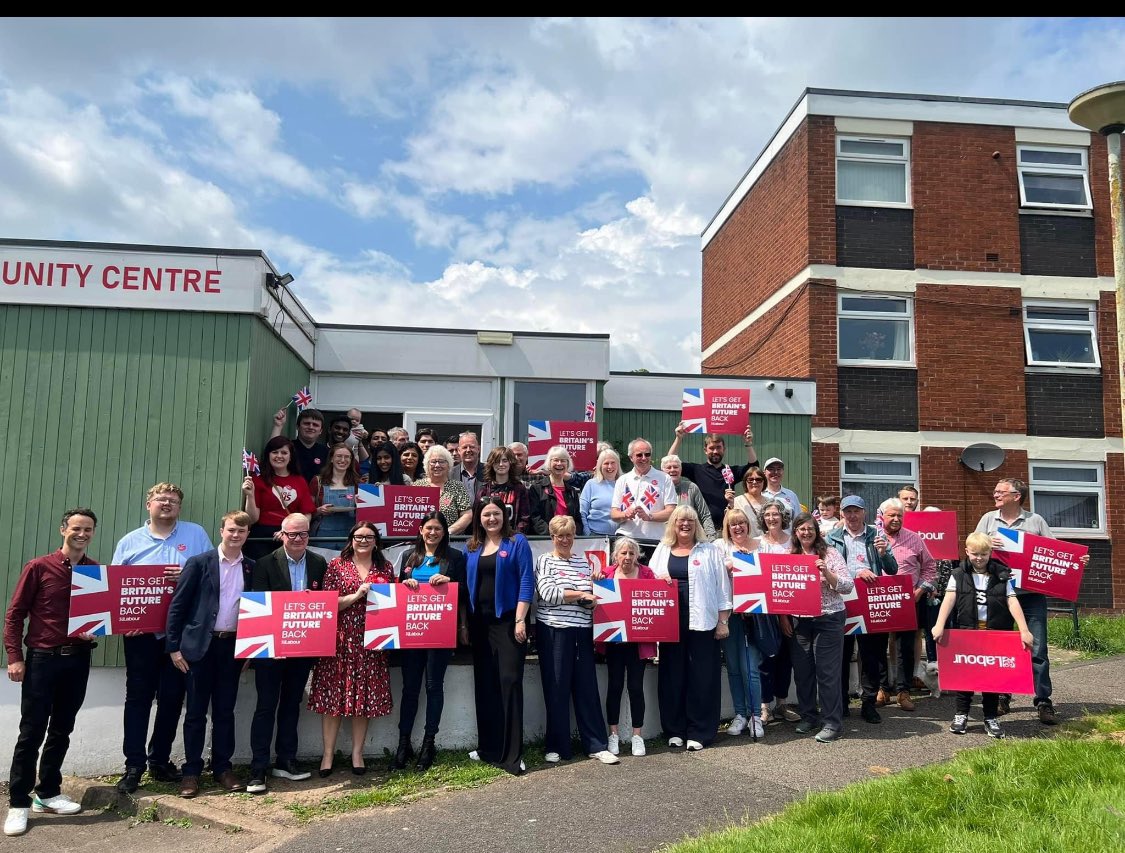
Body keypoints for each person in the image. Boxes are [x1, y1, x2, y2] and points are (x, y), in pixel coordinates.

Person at [111, 483, 213, 795]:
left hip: (179, 635)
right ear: (148, 505)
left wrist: (186, 576)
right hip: (141, 636)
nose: (166, 504)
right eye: (160, 499)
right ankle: (133, 765)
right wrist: (122, 620)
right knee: (138, 699)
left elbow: (211, 577)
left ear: (180, 507)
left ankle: (159, 760)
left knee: (171, 699)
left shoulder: (196, 535)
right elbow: (116, 588)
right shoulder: (130, 542)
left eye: (172, 501)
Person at [4, 508, 99, 837]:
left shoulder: (94, 570)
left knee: (62, 728)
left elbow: (97, 616)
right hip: (43, 659)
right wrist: (15, 657)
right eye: (76, 528)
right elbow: (15, 615)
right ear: (63, 530)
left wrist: (95, 631)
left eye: (88, 529)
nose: (82, 534)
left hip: (78, 660)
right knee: (31, 731)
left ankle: (48, 792)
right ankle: (19, 802)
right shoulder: (38, 567)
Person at [975, 477, 1087, 725]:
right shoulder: (987, 519)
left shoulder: (1035, 521)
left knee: (1038, 650)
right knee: (1001, 649)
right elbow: (972, 550)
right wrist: (987, 545)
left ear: (1017, 496)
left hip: (1031, 597)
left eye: (1000, 492)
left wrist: (1076, 562)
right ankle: (1002, 697)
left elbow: (1055, 554)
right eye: (994, 491)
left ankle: (1044, 701)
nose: (995, 494)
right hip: (998, 594)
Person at [165, 510, 255, 798]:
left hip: (232, 648)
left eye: (241, 531)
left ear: (247, 535)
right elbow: (177, 607)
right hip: (198, 649)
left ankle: (222, 768)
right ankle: (191, 772)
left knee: (225, 711)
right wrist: (173, 647)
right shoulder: (199, 563)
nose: (235, 535)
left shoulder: (251, 567)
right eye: (231, 530)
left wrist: (250, 651)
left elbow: (256, 612)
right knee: (194, 713)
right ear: (221, 531)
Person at [244, 513, 327, 794]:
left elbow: (322, 606)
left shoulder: (318, 563)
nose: (298, 539)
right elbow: (259, 605)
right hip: (271, 649)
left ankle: (286, 760)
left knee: (292, 704)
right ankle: (258, 768)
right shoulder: (265, 563)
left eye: (303, 534)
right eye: (292, 534)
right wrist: (271, 644)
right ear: (282, 535)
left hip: (302, 647)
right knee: (266, 705)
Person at [307, 521, 395, 776]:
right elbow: (330, 604)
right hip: (340, 641)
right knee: (333, 700)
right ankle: (327, 755)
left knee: (363, 701)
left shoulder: (385, 567)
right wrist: (357, 595)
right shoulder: (337, 565)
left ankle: (357, 753)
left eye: (369, 537)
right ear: (351, 539)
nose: (363, 541)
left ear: (376, 541)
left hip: (372, 643)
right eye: (359, 536)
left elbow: (392, 603)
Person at [932, 532, 1034, 739]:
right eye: (975, 554)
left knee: (992, 678)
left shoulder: (1002, 574)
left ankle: (990, 717)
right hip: (967, 631)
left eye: (984, 554)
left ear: (990, 553)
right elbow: (949, 600)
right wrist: (939, 624)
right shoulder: (958, 574)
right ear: (967, 552)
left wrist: (1024, 629)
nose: (979, 558)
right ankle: (961, 714)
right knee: (966, 676)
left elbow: (1012, 601)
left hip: (995, 632)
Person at [535, 516, 619, 765]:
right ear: (552, 537)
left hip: (582, 630)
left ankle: (596, 745)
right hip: (554, 630)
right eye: (559, 535)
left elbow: (592, 595)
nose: (564, 539)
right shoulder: (544, 561)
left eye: (569, 535)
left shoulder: (584, 563)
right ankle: (556, 746)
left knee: (586, 688)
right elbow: (548, 593)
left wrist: (592, 595)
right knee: (557, 687)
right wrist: (581, 594)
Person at [648, 506, 732, 751]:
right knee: (672, 677)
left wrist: (723, 621)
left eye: (690, 520)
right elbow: (648, 580)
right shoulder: (662, 550)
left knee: (702, 678)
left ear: (696, 524)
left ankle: (700, 731)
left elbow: (722, 588)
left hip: (703, 622)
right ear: (673, 524)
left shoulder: (710, 551)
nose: (685, 524)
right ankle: (674, 730)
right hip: (670, 624)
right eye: (680, 520)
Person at [465, 497, 535, 775]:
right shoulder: (472, 547)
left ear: (504, 515)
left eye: (495, 514)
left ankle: (512, 753)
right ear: (478, 519)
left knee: (510, 682)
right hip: (479, 625)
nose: (491, 519)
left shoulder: (517, 541)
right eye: (485, 515)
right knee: (486, 685)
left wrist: (520, 619)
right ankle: (488, 748)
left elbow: (526, 581)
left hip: (508, 623)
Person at [394, 511, 467, 772]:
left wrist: (451, 581)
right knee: (410, 688)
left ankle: (429, 742)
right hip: (412, 632)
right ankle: (403, 743)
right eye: (428, 528)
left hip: (440, 633)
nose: (433, 533)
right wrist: (406, 584)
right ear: (421, 530)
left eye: (438, 528)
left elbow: (465, 591)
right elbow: (397, 593)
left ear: (444, 532)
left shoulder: (455, 557)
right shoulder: (407, 556)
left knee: (434, 686)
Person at [783, 512, 854, 743]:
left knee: (827, 673)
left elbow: (846, 586)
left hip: (829, 618)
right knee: (803, 673)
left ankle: (832, 722)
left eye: (810, 529)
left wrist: (826, 571)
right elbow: (779, 590)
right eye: (801, 529)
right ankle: (808, 716)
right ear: (795, 532)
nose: (806, 533)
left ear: (817, 531)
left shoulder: (830, 554)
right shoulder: (789, 556)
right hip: (800, 621)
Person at [827, 496, 898, 725]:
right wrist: (856, 573)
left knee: (872, 655)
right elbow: (829, 569)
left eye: (856, 511)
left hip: (870, 602)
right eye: (848, 511)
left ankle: (868, 702)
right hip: (842, 601)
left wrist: (884, 553)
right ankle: (842, 703)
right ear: (842, 514)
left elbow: (893, 569)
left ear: (864, 512)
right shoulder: (832, 538)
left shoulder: (876, 536)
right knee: (841, 654)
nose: (852, 516)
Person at [594, 536, 655, 757]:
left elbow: (657, 598)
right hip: (614, 642)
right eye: (623, 553)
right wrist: (596, 581)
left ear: (637, 555)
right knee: (615, 686)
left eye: (631, 553)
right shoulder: (607, 574)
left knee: (636, 688)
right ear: (615, 555)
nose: (627, 557)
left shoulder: (647, 574)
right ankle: (613, 735)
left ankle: (637, 736)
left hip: (638, 643)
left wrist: (665, 582)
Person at [715, 508, 772, 740]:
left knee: (750, 668)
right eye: (732, 524)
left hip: (754, 615)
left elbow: (768, 575)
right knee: (734, 668)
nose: (737, 528)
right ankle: (740, 714)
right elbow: (715, 574)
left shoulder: (761, 545)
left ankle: (756, 715)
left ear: (748, 525)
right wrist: (732, 561)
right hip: (729, 614)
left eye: (741, 523)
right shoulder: (720, 547)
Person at [878, 497, 936, 713]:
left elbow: (930, 567)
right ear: (882, 516)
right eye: (891, 515)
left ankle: (904, 691)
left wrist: (921, 589)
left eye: (899, 515)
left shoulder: (915, 539)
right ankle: (883, 689)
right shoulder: (873, 538)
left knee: (905, 648)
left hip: (909, 599)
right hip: (879, 600)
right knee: (878, 645)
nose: (895, 519)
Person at [754, 499, 800, 724]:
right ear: (762, 518)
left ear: (783, 517)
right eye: (767, 515)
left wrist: (784, 614)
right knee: (766, 658)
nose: (771, 518)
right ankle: (765, 706)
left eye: (775, 514)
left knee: (786, 658)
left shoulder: (793, 543)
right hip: (765, 611)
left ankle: (782, 703)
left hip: (791, 608)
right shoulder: (757, 544)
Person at [667, 425, 758, 528]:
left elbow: (753, 467)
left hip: (727, 528)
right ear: (705, 450)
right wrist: (678, 438)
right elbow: (670, 461)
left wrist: (748, 443)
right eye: (711, 448)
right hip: (703, 528)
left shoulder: (731, 471)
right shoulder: (696, 470)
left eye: (718, 447)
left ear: (724, 449)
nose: (715, 451)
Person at [242, 436, 315, 561]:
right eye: (274, 452)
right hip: (262, 539)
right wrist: (249, 495)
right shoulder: (258, 480)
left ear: (290, 456)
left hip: (290, 536)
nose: (279, 456)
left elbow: (306, 514)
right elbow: (252, 519)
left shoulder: (300, 481)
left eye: (284, 452)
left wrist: (291, 530)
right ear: (268, 455)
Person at [611, 438, 677, 547]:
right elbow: (614, 513)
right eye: (639, 455)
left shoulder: (664, 478)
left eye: (647, 454)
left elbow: (671, 511)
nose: (644, 458)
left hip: (654, 540)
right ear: (631, 457)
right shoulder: (622, 480)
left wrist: (649, 516)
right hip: (626, 538)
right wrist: (625, 514)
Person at [310, 443, 361, 550]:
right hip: (322, 535)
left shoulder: (358, 484)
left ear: (351, 460)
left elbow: (366, 513)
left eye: (347, 457)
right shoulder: (318, 482)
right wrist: (319, 510)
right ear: (332, 459)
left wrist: (360, 505)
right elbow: (308, 511)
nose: (343, 460)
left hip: (350, 534)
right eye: (339, 456)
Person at [414, 445, 473, 535]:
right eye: (433, 462)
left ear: (448, 465)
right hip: (421, 540)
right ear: (426, 465)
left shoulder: (458, 487)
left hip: (450, 540)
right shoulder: (416, 486)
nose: (437, 465)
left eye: (441, 462)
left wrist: (447, 532)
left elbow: (467, 515)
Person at [529, 445, 584, 536]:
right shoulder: (537, 488)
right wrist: (553, 535)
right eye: (556, 460)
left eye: (563, 460)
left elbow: (577, 519)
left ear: (568, 464)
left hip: (568, 540)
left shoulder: (572, 492)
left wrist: (573, 533)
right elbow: (534, 517)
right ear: (549, 463)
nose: (559, 463)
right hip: (545, 539)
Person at [476, 446, 532, 533]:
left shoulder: (520, 489)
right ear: (492, 464)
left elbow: (524, 518)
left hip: (512, 539)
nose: (501, 464)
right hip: (489, 538)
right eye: (497, 461)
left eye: (505, 461)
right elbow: (477, 518)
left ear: (510, 463)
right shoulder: (483, 490)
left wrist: (515, 537)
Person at [661, 454, 716, 540]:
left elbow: (705, 515)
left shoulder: (691, 487)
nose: (672, 470)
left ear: (681, 469)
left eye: (676, 467)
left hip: (689, 539)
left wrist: (712, 538)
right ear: (662, 471)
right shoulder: (657, 490)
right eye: (668, 467)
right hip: (664, 538)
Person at [271, 407, 329, 483]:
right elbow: (272, 450)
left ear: (320, 431)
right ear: (298, 426)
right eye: (306, 423)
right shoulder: (288, 447)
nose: (311, 427)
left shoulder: (326, 452)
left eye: (315, 425)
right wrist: (278, 426)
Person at [580, 448, 622, 537]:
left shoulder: (624, 484)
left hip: (620, 537)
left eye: (613, 463)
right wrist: (587, 533)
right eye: (606, 463)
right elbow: (582, 512)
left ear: (618, 465)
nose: (610, 467)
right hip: (595, 536)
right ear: (600, 466)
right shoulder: (591, 484)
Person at [728, 466, 767, 538]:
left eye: (758, 479)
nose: (754, 482)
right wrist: (730, 506)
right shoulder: (736, 501)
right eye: (750, 480)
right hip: (745, 544)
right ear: (745, 482)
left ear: (764, 482)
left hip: (766, 545)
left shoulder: (770, 502)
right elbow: (728, 523)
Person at [761, 457, 802, 523]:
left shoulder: (791, 495)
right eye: (771, 469)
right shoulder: (759, 494)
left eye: (779, 469)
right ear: (764, 473)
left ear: (783, 472)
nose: (775, 472)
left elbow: (799, 521)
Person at [452, 432, 483, 499]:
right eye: (465, 447)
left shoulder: (489, 471)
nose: (468, 450)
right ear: (459, 451)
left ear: (478, 449)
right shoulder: (449, 474)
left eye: (472, 447)